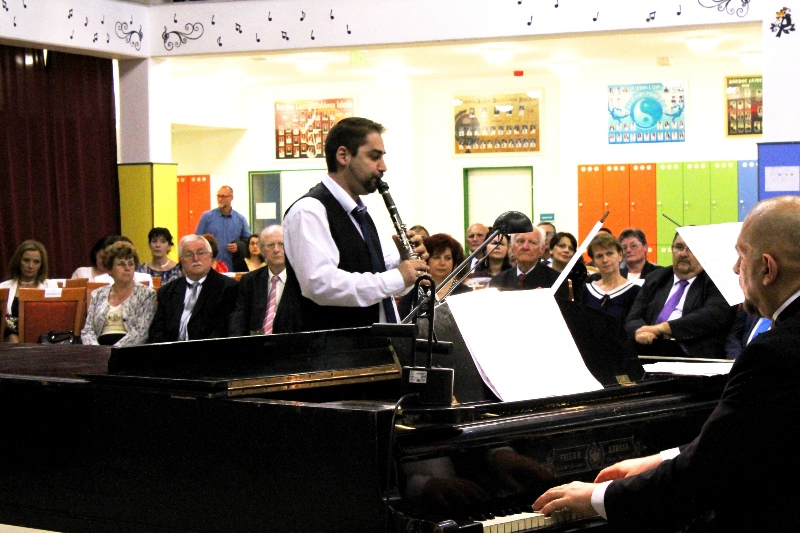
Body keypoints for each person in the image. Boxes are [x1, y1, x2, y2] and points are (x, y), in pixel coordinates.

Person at [533, 195, 800, 532]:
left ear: (768, 269)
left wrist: (598, 497)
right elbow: (733, 445)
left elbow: (704, 475)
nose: (734, 269)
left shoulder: (772, 355)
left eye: (741, 257)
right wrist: (659, 459)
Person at [274, 117, 428, 333]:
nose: (383, 167)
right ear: (343, 156)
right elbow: (320, 284)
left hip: (365, 346)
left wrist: (406, 264)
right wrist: (397, 276)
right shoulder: (309, 211)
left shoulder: (359, 213)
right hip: (325, 348)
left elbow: (370, 274)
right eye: (374, 157)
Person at [624, 232, 736, 358]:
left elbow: (712, 316)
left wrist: (662, 328)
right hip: (650, 350)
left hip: (692, 356)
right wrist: (643, 332)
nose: (683, 254)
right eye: (679, 247)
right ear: (672, 250)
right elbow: (633, 318)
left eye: (691, 249)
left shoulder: (717, 281)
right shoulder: (656, 278)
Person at [147, 235, 239, 343]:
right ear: (181, 261)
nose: (195, 259)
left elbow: (223, 331)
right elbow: (156, 332)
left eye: (201, 253)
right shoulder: (167, 292)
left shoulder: (227, 288)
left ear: (211, 257)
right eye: (189, 254)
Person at [81, 241, 156, 347]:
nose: (127, 268)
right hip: (99, 349)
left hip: (129, 350)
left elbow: (141, 332)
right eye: (121, 264)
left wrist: (114, 350)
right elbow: (88, 331)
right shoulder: (97, 294)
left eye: (131, 264)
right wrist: (96, 349)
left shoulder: (146, 294)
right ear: (110, 269)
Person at [229, 226, 287, 336]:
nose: (276, 250)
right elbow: (239, 316)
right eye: (270, 245)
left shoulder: (300, 281)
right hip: (255, 342)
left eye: (281, 244)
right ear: (262, 250)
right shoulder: (249, 281)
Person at [397, 233, 469, 319]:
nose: (442, 263)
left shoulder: (466, 293)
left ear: (454, 263)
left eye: (448, 258)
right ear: (426, 260)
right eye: (436, 257)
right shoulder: (413, 293)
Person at [2, 240, 57, 343]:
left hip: (44, 337)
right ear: (18, 261)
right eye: (26, 260)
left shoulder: (51, 286)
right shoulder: (3, 287)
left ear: (42, 265)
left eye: (36, 262)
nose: (30, 266)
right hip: (11, 338)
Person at [488, 228, 569, 299]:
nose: (525, 247)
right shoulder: (498, 281)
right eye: (520, 241)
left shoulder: (557, 280)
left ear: (542, 250)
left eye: (532, 242)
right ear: (512, 248)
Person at [583, 233, 640, 321]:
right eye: (599, 256)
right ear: (594, 261)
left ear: (620, 255)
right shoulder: (587, 290)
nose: (605, 260)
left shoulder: (635, 291)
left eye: (609, 254)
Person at [195, 185, 251, 271]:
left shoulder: (240, 219)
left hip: (233, 267)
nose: (220, 199)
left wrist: (239, 246)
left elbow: (248, 241)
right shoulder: (207, 217)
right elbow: (197, 239)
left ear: (231, 198)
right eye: (218, 196)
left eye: (223, 196)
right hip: (210, 267)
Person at [548, 232, 588, 301]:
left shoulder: (579, 278)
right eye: (562, 246)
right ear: (551, 250)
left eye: (571, 248)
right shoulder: (542, 274)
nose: (566, 250)